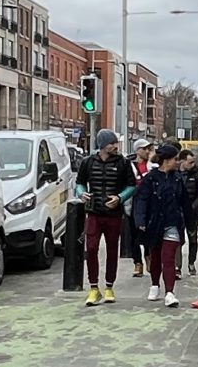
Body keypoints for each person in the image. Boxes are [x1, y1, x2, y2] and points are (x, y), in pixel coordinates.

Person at [73, 129, 136, 306]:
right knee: (91, 248)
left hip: (114, 214)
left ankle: (109, 286)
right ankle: (94, 288)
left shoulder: (123, 163)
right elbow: (79, 183)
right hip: (93, 212)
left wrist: (120, 198)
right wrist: (81, 193)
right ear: (102, 145)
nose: (115, 146)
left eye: (116, 143)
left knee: (112, 250)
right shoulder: (88, 162)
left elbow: (132, 185)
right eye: (112, 143)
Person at [133, 141, 189, 307]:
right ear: (166, 160)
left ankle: (170, 292)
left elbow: (184, 202)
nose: (178, 162)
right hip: (154, 224)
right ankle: (155, 284)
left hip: (172, 223)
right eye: (175, 159)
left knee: (168, 257)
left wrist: (190, 223)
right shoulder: (150, 179)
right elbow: (141, 199)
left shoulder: (178, 179)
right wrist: (141, 220)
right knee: (155, 257)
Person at [123, 141, 154, 277]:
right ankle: (137, 262)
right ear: (137, 150)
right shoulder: (129, 166)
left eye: (149, 149)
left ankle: (149, 257)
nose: (148, 151)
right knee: (133, 234)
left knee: (147, 232)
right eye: (145, 149)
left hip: (149, 203)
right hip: (133, 202)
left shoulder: (152, 165)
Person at [177, 149, 198, 272]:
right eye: (190, 162)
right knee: (177, 240)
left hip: (193, 214)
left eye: (193, 162)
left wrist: (193, 208)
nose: (192, 165)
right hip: (178, 213)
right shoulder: (176, 175)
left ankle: (191, 263)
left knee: (193, 238)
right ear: (182, 161)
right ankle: (177, 266)